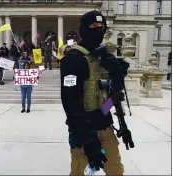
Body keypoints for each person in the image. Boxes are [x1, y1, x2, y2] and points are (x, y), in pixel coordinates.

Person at [60, 10, 124, 175]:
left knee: (115, 170)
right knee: (79, 171)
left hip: (104, 125)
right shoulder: (73, 58)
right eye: (94, 26)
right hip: (82, 131)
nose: (98, 30)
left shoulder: (103, 58)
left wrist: (118, 75)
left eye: (101, 26)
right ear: (84, 29)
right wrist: (89, 141)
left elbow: (108, 101)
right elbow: (70, 102)